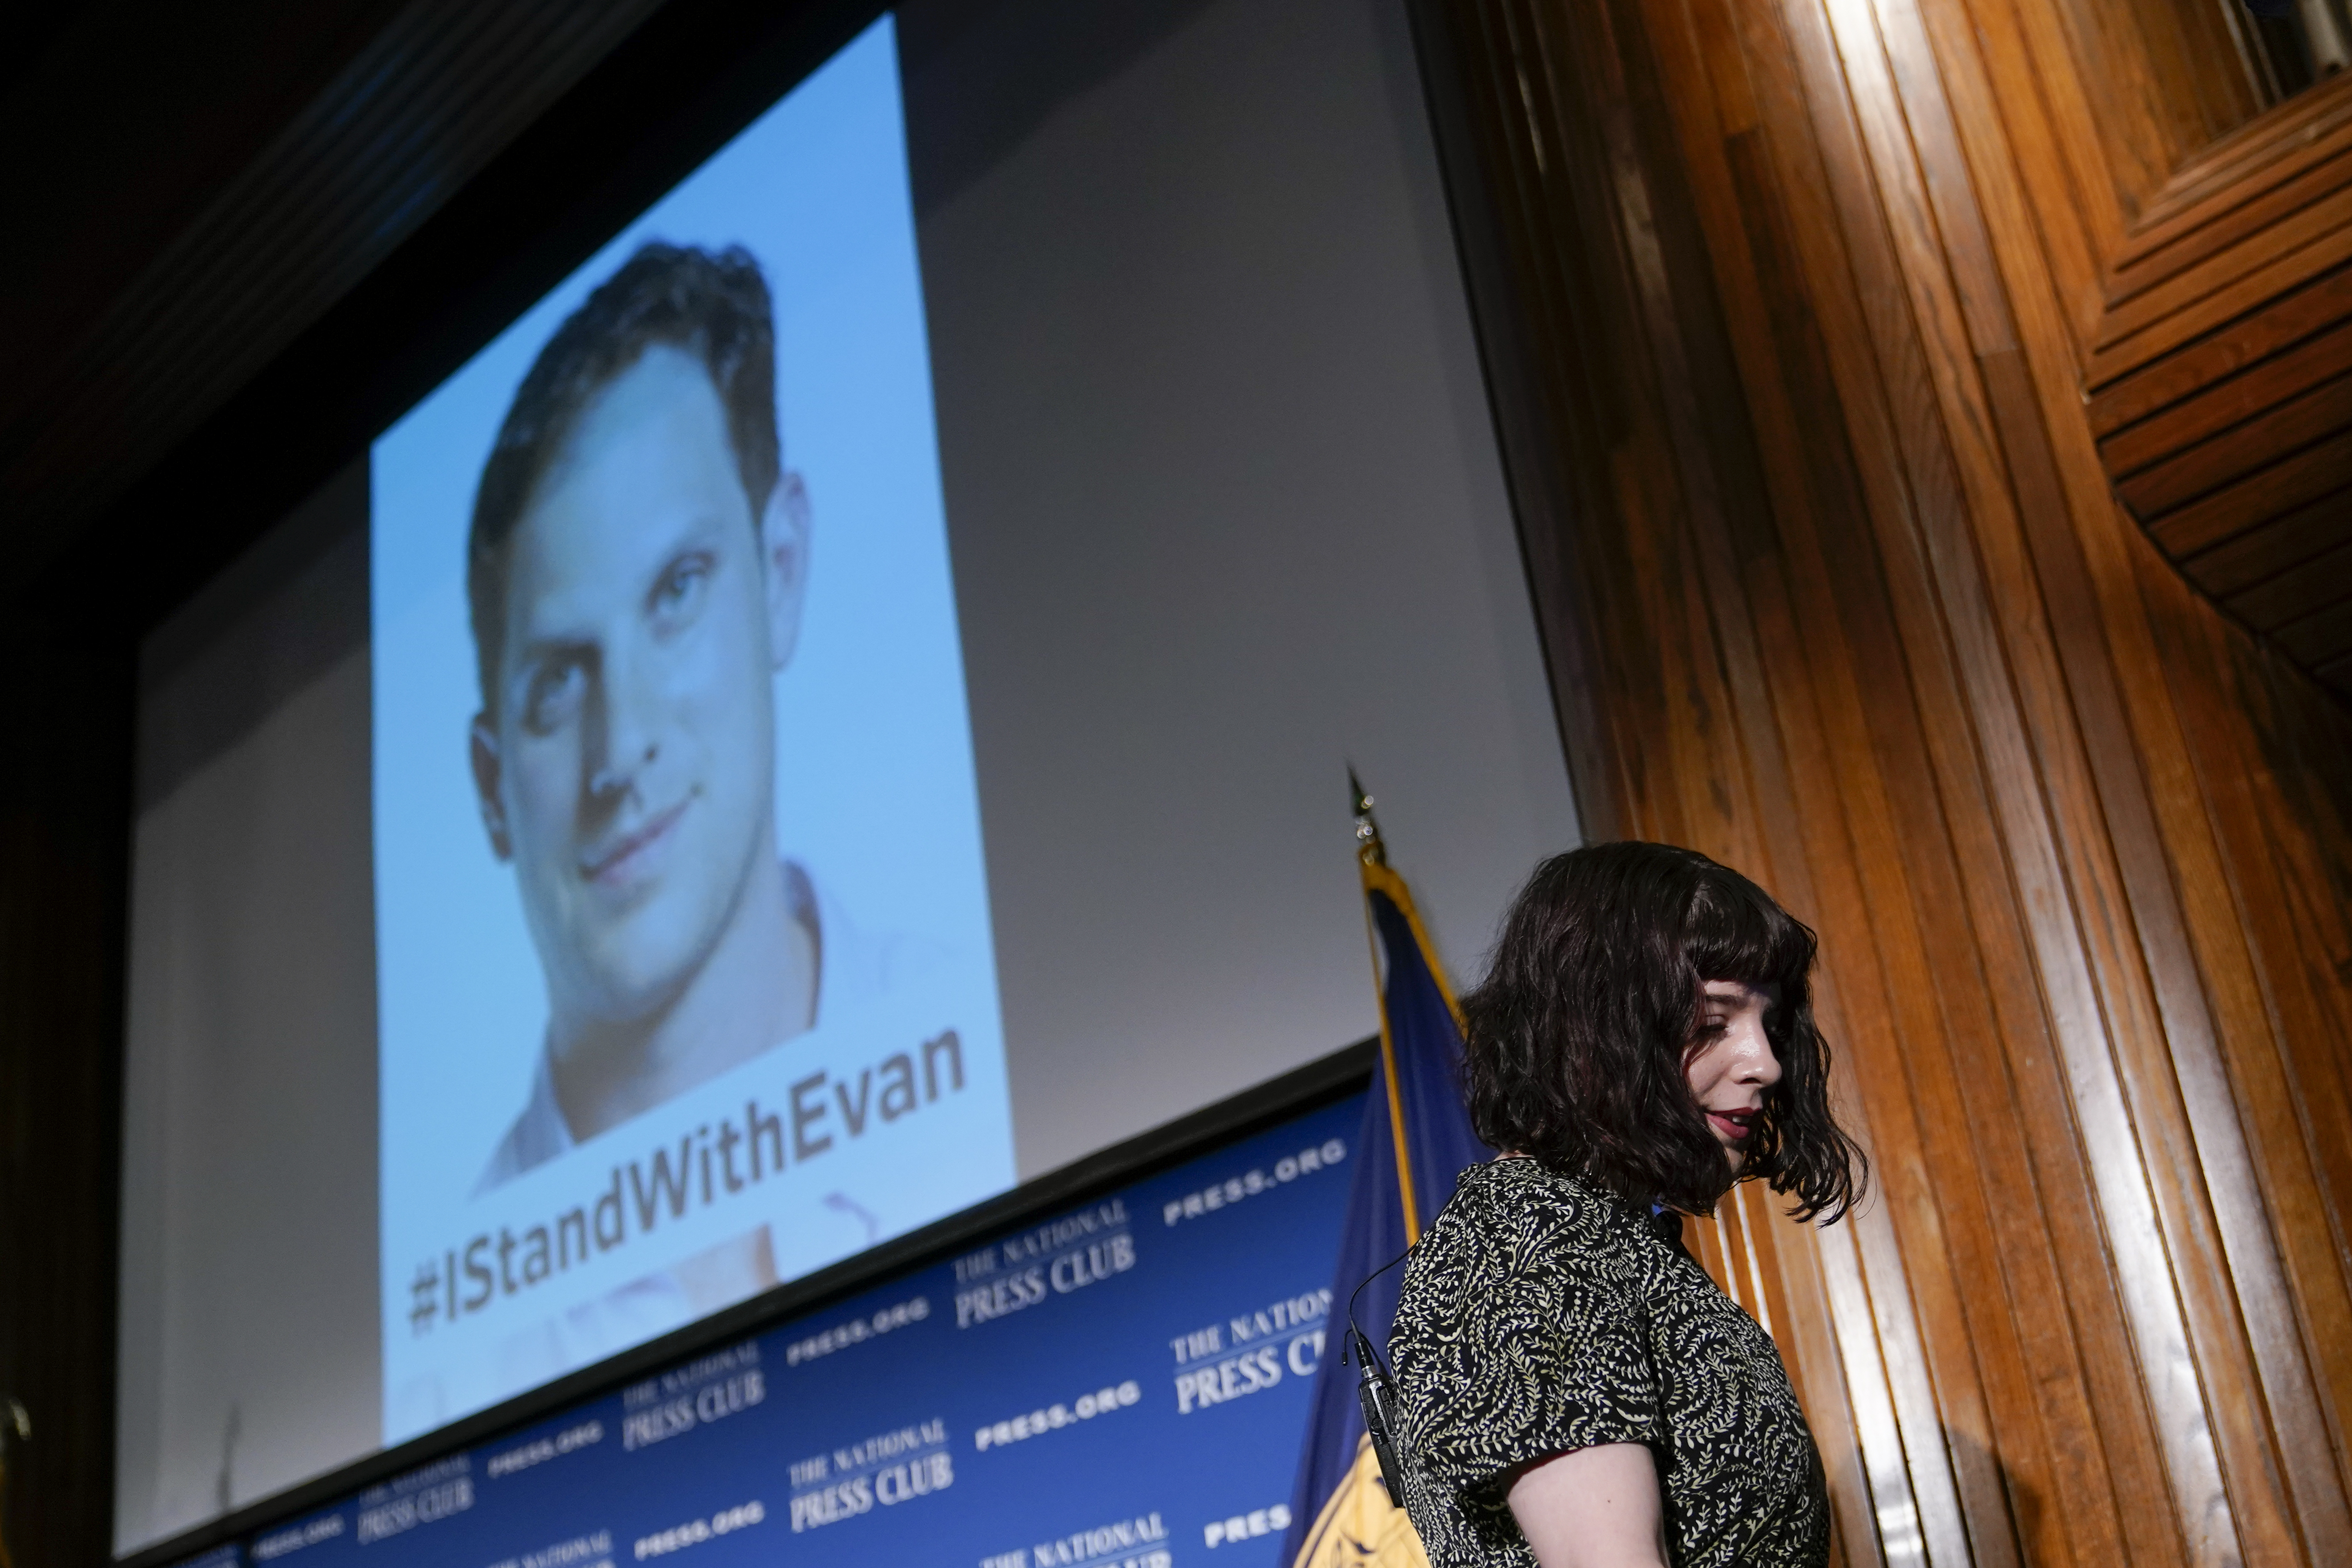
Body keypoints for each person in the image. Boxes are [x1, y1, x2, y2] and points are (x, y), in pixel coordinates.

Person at [465, 240, 886, 1193]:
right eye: (559, 684)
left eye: (678, 592)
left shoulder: (979, 1016)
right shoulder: (462, 1343)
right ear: (492, 789)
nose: (620, 750)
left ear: (783, 571)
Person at [1389, 842, 1865, 1568]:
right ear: (1599, 1026)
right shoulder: (1530, 1233)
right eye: (1714, 1021)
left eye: (1768, 1024)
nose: (1764, 1062)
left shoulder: (1603, 1235)